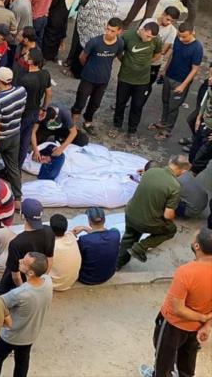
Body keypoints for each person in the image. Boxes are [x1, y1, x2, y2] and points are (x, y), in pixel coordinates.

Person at [138, 227, 212, 377]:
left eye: (194, 239)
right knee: (188, 358)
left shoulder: (185, 272)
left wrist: (203, 319)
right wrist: (207, 325)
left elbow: (177, 308)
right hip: (196, 328)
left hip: (173, 325)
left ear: (197, 246)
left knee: (164, 360)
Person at [0, 252, 53, 377]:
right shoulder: (48, 281)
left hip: (11, 336)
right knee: (22, 361)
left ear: (31, 272)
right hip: (31, 334)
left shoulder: (19, 294)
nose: (20, 260)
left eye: (24, 262)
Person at [118, 155, 189, 269]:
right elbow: (167, 215)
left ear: (170, 161)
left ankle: (118, 264)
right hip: (147, 222)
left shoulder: (151, 171)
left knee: (129, 237)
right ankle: (140, 247)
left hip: (130, 213)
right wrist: (173, 215)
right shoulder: (174, 186)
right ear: (184, 171)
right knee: (171, 230)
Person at [111, 22, 163, 145]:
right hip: (125, 77)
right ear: (143, 30)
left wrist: (147, 63)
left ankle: (132, 131)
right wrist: (125, 62)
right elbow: (119, 51)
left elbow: (158, 54)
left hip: (143, 80)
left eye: (152, 38)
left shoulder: (157, 40)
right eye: (148, 36)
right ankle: (116, 126)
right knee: (120, 102)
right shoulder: (128, 35)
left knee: (137, 106)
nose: (149, 39)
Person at [71, 17, 124, 136]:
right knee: (80, 101)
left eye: (112, 31)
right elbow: (82, 57)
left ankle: (88, 122)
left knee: (95, 103)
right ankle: (72, 125)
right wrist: (89, 68)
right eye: (107, 29)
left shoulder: (120, 43)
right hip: (88, 78)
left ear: (119, 31)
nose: (109, 33)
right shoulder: (95, 42)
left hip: (103, 80)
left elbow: (119, 55)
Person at [150, 23, 203, 140]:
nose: (181, 39)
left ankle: (167, 130)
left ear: (192, 32)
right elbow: (173, 55)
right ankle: (163, 122)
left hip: (181, 81)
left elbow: (195, 69)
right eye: (179, 36)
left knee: (173, 107)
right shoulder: (178, 40)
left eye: (184, 36)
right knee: (165, 101)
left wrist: (183, 85)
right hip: (169, 76)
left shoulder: (197, 48)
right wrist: (164, 70)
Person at [68, 0, 118, 78]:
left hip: (90, 33)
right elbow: (115, 15)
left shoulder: (94, 0)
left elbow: (84, 13)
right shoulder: (113, 1)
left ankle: (78, 73)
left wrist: (81, 11)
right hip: (101, 34)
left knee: (84, 50)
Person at [0, 66, 26, 202]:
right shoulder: (21, 91)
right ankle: (18, 198)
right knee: (13, 168)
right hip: (15, 133)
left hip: (2, 138)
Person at [73, 207, 121, 285]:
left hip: (87, 278)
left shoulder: (84, 240)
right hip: (109, 274)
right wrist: (85, 229)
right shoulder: (116, 234)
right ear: (104, 220)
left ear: (89, 222)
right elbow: (101, 233)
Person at [44, 214, 81, 292]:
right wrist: (84, 228)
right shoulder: (70, 236)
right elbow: (71, 232)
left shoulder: (51, 246)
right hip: (71, 281)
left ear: (51, 229)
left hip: (55, 284)